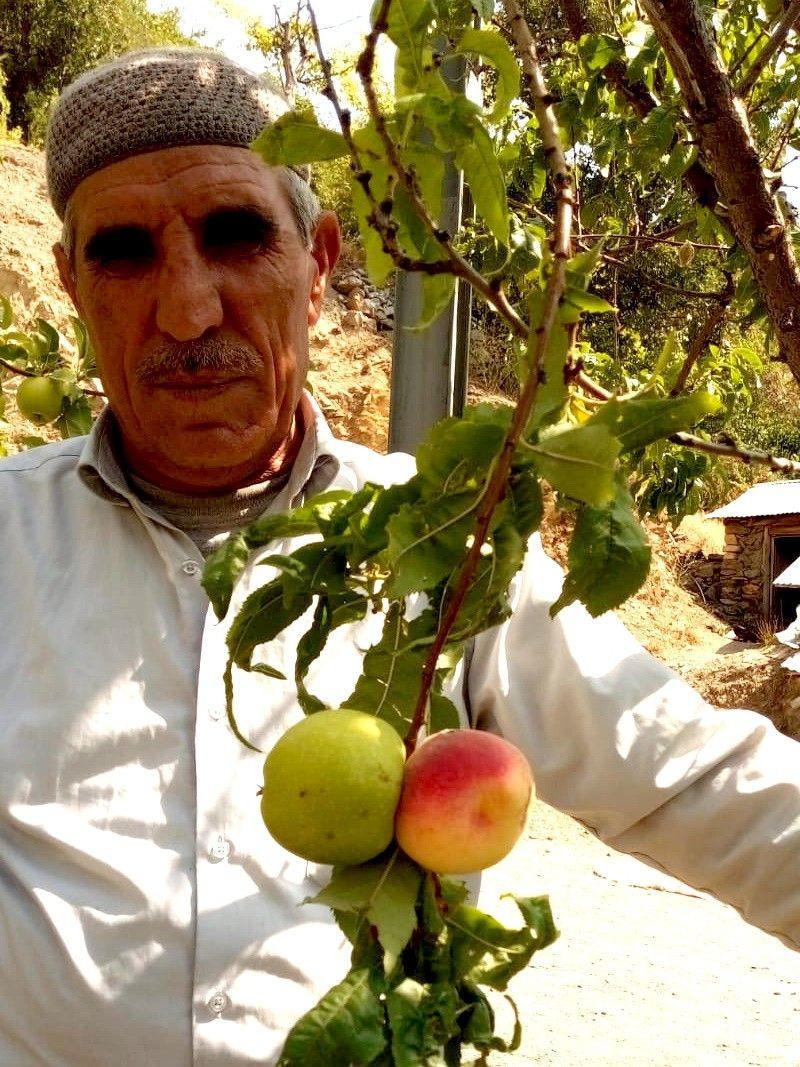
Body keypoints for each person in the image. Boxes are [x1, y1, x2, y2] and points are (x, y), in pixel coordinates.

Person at [0, 45, 797, 1067]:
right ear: (70, 284)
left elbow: (688, 779)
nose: (188, 309)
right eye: (124, 252)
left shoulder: (443, 545)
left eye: (237, 235)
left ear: (319, 264)